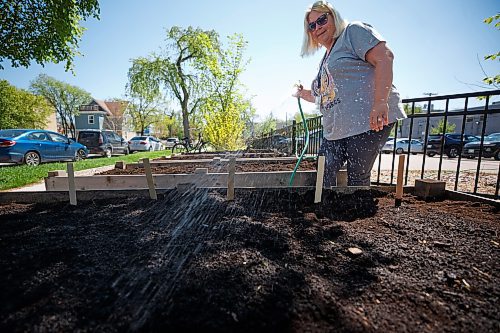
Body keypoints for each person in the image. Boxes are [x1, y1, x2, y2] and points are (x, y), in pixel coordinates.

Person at [294, 0, 406, 187]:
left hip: (367, 122)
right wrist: (302, 92)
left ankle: (359, 212)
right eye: (312, 26)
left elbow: (384, 57)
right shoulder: (326, 58)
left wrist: (380, 103)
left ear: (334, 16)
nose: (317, 27)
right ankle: (323, 212)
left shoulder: (352, 32)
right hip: (337, 130)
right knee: (323, 170)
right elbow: (323, 96)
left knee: (357, 173)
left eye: (322, 20)